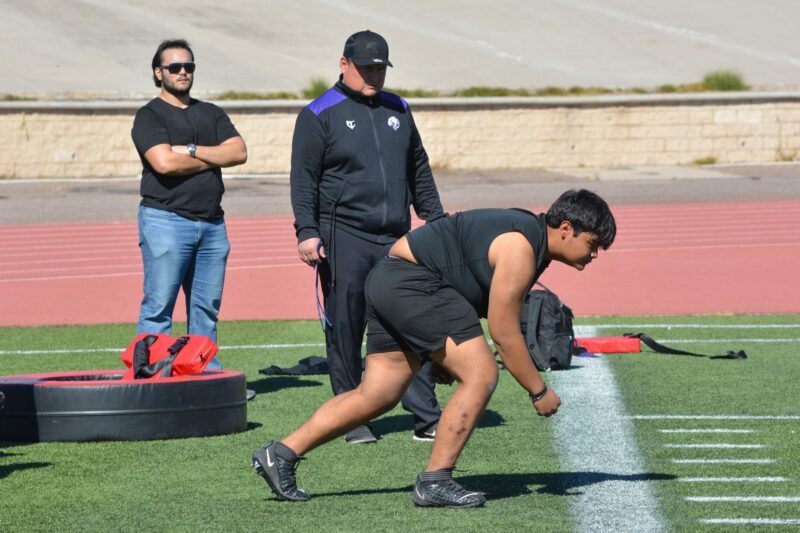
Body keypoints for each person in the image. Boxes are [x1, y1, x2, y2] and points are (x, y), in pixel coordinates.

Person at [252, 189, 617, 508]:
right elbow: (505, 333)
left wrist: (436, 352)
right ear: (566, 228)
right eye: (593, 243)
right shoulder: (521, 247)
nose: (596, 253)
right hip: (414, 282)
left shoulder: (527, 234)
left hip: (390, 278)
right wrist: (538, 390)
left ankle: (281, 453)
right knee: (482, 373)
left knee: (378, 393)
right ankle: (435, 481)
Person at [290, 30, 444, 443]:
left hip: (396, 235)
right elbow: (303, 180)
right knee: (347, 325)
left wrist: (435, 218)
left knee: (408, 322)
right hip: (344, 236)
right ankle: (352, 416)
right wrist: (307, 231)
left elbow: (419, 168)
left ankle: (426, 416)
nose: (373, 75)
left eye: (380, 68)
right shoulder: (319, 113)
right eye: (365, 68)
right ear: (344, 65)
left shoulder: (399, 109)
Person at [131, 39, 247, 369]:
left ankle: (204, 377)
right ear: (158, 73)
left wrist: (191, 151)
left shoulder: (211, 112)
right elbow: (164, 163)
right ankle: (151, 378)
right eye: (175, 67)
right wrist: (214, 157)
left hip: (212, 224)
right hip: (165, 221)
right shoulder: (149, 116)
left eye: (189, 67)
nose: (183, 72)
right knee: (159, 306)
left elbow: (238, 153)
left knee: (205, 309)